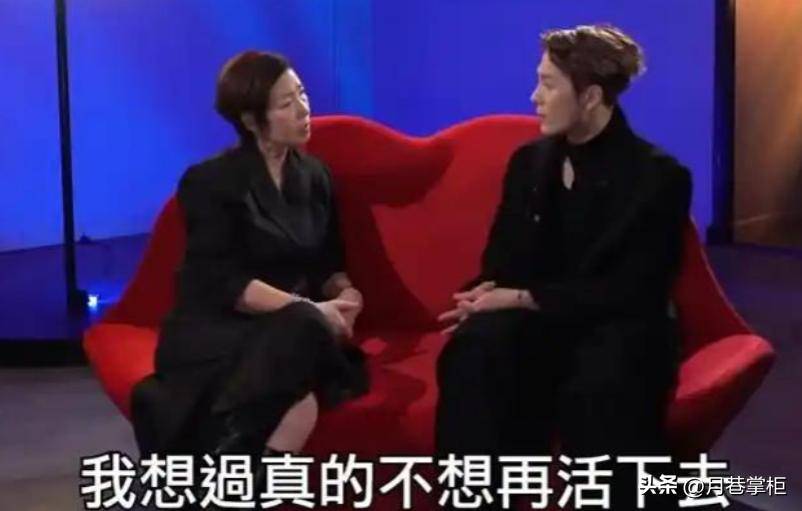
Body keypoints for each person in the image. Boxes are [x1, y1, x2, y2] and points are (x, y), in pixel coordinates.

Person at [436, 25, 691, 510]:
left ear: (590, 96)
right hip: (542, 320)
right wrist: (484, 293)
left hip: (618, 322)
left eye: (548, 85)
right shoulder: (529, 163)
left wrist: (523, 297)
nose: (534, 97)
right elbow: (502, 260)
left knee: (603, 383)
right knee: (475, 348)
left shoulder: (658, 176)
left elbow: (634, 289)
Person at [130, 51, 369, 469]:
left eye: (302, 94)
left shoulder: (315, 176)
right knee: (304, 367)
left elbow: (328, 263)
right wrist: (312, 312)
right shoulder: (210, 181)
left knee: (300, 394)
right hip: (219, 328)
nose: (303, 109)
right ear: (251, 120)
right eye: (286, 104)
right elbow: (224, 283)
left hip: (288, 332)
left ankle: (225, 474)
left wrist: (347, 294)